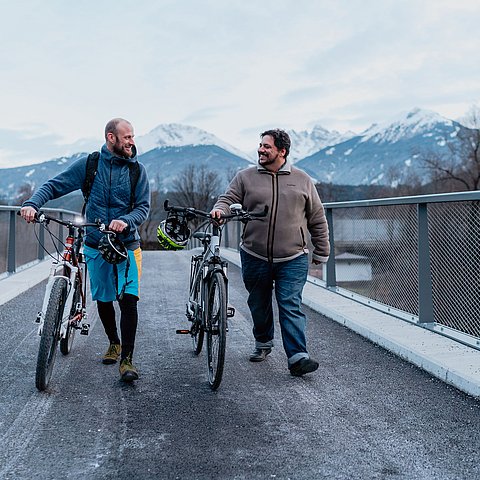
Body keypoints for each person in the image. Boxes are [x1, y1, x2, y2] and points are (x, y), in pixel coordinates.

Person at [20, 118, 150, 382]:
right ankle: (113, 342)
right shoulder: (90, 165)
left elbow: (143, 208)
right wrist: (33, 203)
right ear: (111, 138)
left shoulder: (138, 171)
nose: (132, 142)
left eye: (133, 137)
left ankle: (127, 359)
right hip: (94, 243)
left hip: (127, 244)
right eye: (127, 137)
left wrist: (126, 221)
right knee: (103, 298)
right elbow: (54, 184)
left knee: (128, 299)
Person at [211, 129, 330, 376]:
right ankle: (263, 342)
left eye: (266, 146)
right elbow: (227, 198)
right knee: (259, 303)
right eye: (260, 145)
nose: (261, 150)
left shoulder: (302, 179)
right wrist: (220, 211)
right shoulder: (245, 177)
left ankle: (298, 357)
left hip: (293, 257)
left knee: (290, 304)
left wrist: (321, 252)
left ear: (282, 151)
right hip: (254, 255)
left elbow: (317, 218)